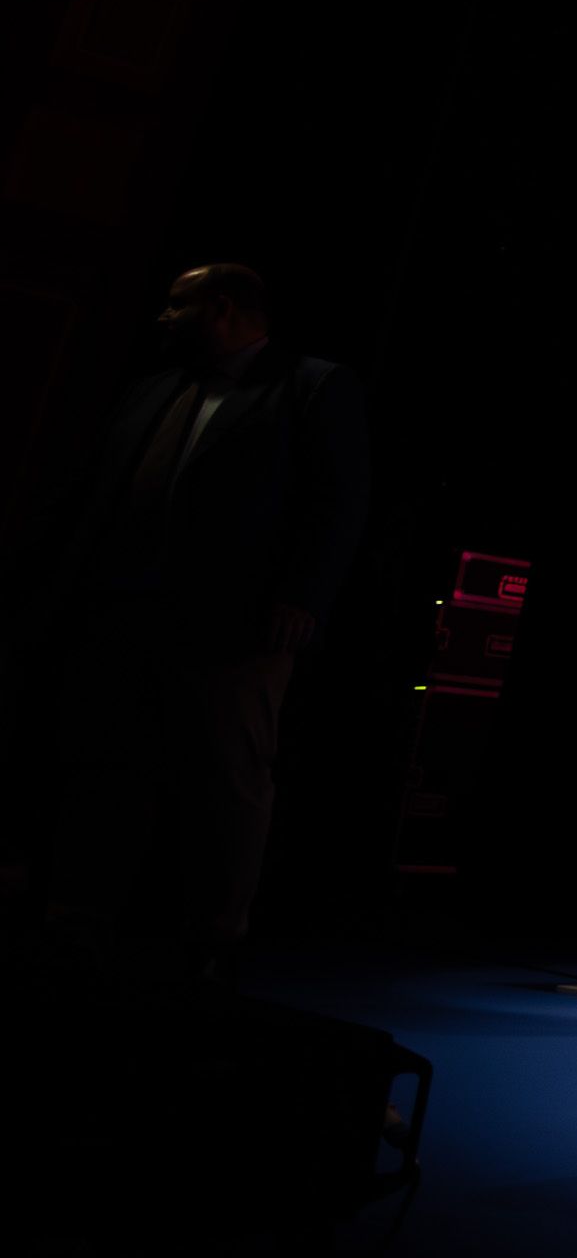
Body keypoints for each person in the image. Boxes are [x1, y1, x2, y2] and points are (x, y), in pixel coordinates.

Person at [41, 263, 370, 986]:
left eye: (177, 303)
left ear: (221, 308)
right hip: (125, 612)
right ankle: (82, 920)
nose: (163, 317)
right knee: (106, 768)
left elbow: (335, 501)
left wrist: (302, 596)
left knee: (226, 778)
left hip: (237, 626)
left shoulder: (309, 384)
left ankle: (212, 938)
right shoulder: (153, 390)